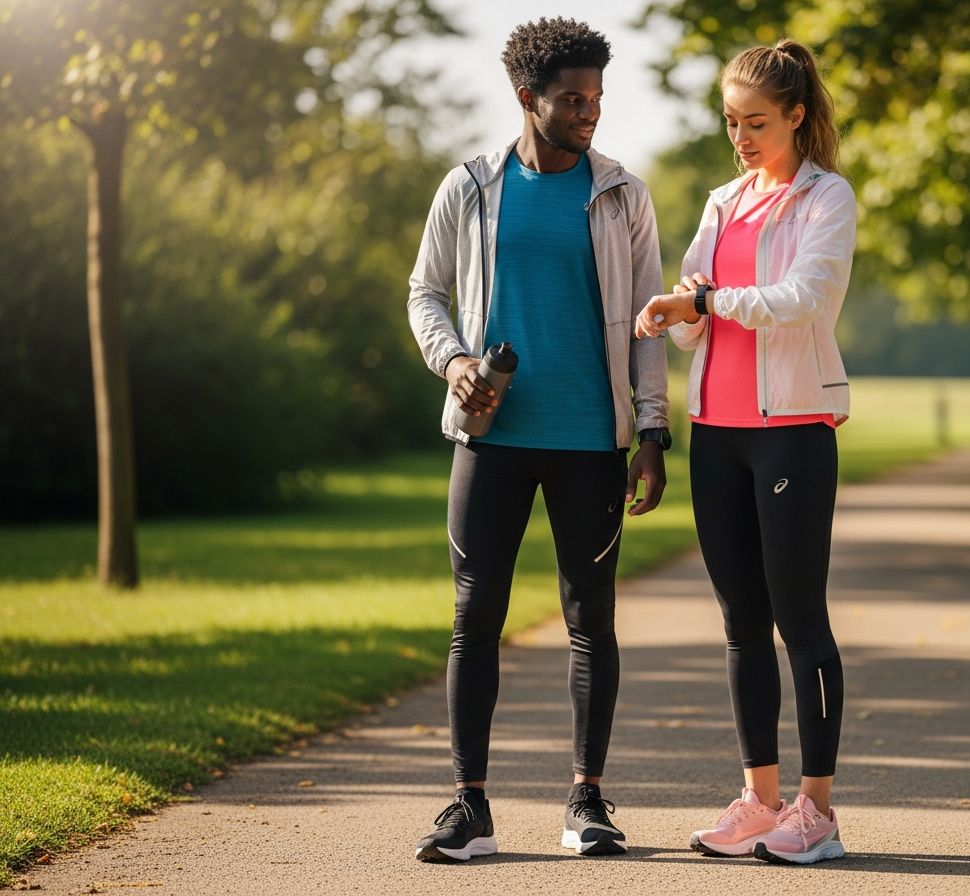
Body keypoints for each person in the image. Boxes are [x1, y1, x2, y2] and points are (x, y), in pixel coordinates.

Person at [407, 16, 669, 862]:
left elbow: (650, 326)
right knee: (473, 616)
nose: (590, 111)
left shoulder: (622, 192)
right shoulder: (472, 186)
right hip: (492, 438)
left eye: (596, 97)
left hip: (591, 440)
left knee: (591, 620)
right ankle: (468, 807)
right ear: (528, 99)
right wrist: (453, 363)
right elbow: (425, 292)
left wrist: (654, 432)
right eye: (572, 99)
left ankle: (587, 801)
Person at [634, 38, 856, 866]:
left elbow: (803, 299)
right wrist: (675, 315)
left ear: (797, 115)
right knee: (740, 625)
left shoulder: (826, 199)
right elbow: (702, 315)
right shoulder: (724, 201)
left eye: (756, 121)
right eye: (731, 122)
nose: (741, 137)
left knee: (800, 621)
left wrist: (703, 298)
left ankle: (818, 813)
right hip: (718, 436)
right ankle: (760, 802)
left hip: (793, 427)